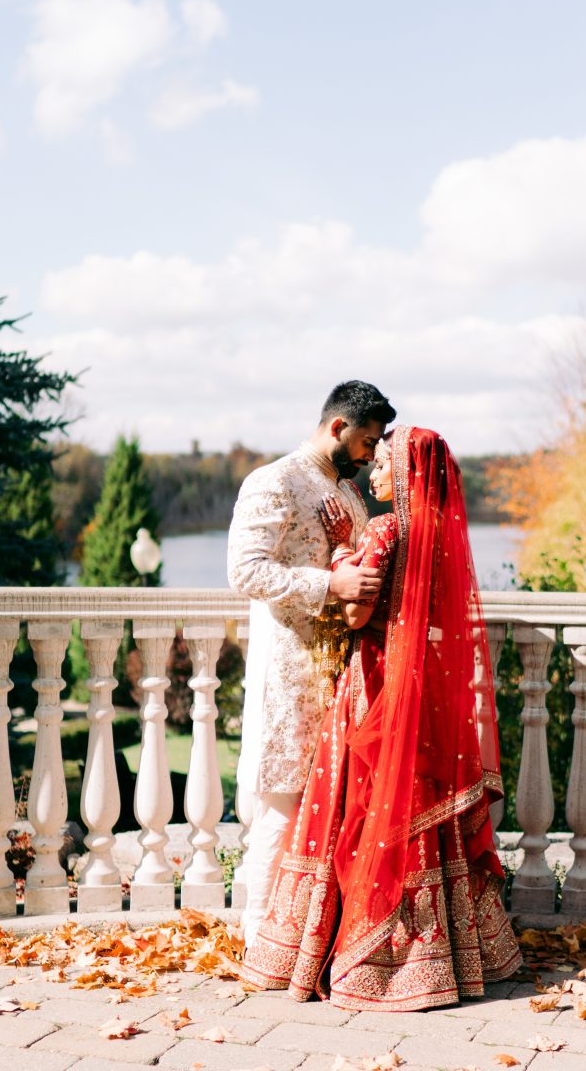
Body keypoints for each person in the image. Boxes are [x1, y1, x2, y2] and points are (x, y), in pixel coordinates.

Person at [242, 426, 522, 1011]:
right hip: (422, 684)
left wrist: (344, 551)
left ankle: (351, 951)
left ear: (405, 475)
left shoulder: (388, 528)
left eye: (383, 462)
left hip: (374, 680)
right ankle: (448, 957)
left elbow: (355, 612)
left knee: (363, 809)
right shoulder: (440, 535)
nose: (373, 472)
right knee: (417, 806)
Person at [227, 380, 395, 940]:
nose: (372, 455)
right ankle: (257, 935)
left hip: (342, 670)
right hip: (290, 668)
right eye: (367, 442)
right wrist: (332, 582)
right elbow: (245, 572)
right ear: (337, 427)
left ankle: (304, 934)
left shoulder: (348, 494)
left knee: (331, 802)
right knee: (283, 800)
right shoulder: (273, 480)